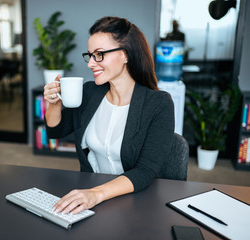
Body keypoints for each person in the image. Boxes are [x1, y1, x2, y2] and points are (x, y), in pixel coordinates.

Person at [43, 16, 174, 215]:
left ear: (126, 55)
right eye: (89, 56)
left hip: (135, 201)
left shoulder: (159, 104)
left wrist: (95, 195)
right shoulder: (90, 93)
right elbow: (55, 131)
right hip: (90, 198)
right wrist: (54, 104)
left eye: (100, 55)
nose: (90, 64)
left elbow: (145, 171)